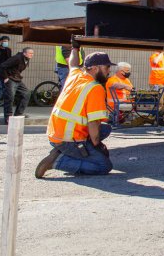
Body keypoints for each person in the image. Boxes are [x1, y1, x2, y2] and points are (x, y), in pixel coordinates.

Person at [35, 50, 115, 178]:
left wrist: (75, 49)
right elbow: (94, 122)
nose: (109, 71)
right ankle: (58, 161)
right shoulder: (95, 88)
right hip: (68, 139)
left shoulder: (75, 75)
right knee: (104, 166)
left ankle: (64, 152)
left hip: (55, 133)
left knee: (106, 129)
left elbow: (73, 63)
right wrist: (97, 146)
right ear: (95, 68)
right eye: (107, 67)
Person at [0, 47, 34, 124]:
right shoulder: (17, 58)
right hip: (10, 78)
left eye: (32, 53)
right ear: (24, 53)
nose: (32, 55)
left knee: (26, 94)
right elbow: (3, 65)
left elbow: (17, 69)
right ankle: (8, 117)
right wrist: (5, 77)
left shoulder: (26, 59)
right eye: (30, 53)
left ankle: (18, 114)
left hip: (17, 79)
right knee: (10, 97)